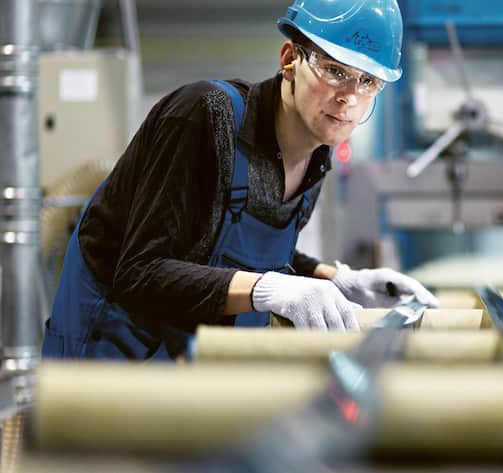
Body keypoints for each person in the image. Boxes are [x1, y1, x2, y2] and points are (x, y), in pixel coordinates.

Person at [41, 0, 438, 361]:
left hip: (186, 369)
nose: (349, 97)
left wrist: (339, 280)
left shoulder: (316, 154)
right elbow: (140, 271)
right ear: (289, 59)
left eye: (368, 81)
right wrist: (270, 289)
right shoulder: (206, 117)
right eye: (334, 70)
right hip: (101, 366)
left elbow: (241, 255)